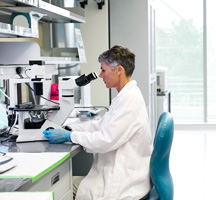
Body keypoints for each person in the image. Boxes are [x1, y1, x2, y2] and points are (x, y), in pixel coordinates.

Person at [43, 45, 153, 200]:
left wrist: (70, 136)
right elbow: (100, 124)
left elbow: (104, 140)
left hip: (122, 185)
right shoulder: (125, 96)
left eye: (104, 70)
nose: (101, 76)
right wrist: (69, 128)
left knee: (57, 189)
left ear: (119, 70)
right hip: (120, 174)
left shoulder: (129, 100)